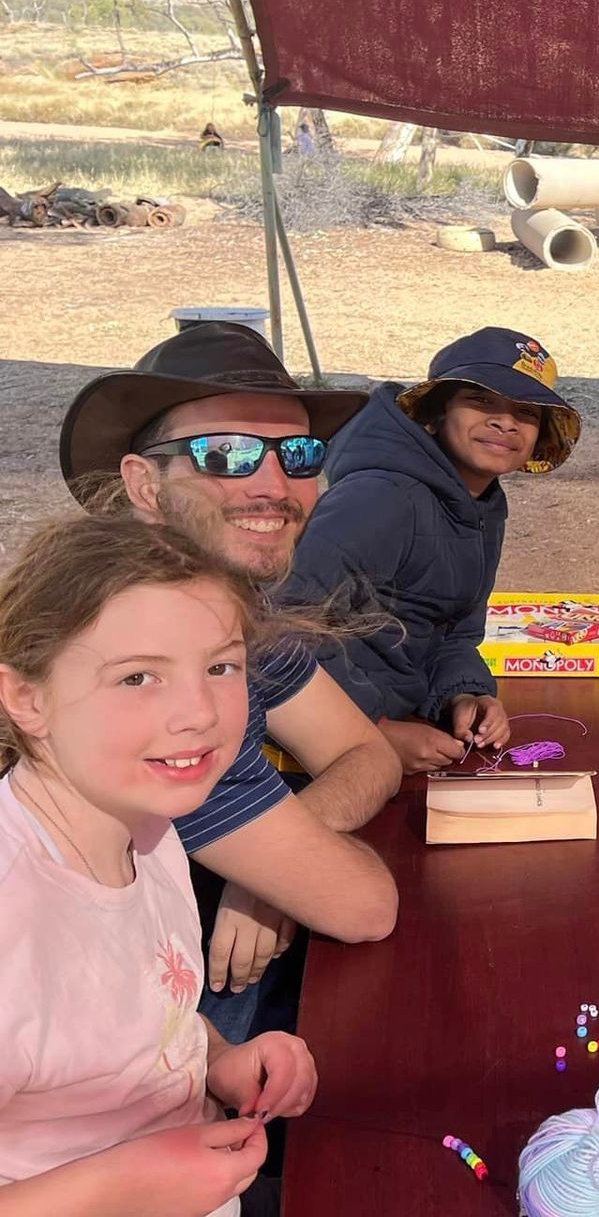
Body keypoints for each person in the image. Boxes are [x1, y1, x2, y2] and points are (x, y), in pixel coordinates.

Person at [58, 322, 399, 1034]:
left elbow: (366, 753)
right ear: (144, 483)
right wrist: (287, 867)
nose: (275, 486)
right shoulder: (138, 645)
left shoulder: (231, 607)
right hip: (108, 1054)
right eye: (228, 454)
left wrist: (266, 871)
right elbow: (362, 904)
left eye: (300, 454)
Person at [0, 515, 319, 1217]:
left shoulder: (143, 826)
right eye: (138, 676)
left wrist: (220, 1060)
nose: (198, 713)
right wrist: (121, 1185)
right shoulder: (13, 922)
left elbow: (147, 1017)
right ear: (27, 698)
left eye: (220, 667)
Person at [282, 328, 580, 773]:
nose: (505, 422)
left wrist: (464, 694)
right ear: (434, 414)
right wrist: (372, 729)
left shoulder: (482, 506)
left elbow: (454, 631)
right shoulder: (381, 496)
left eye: (525, 411)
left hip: (403, 721)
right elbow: (284, 622)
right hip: (311, 749)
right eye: (482, 402)